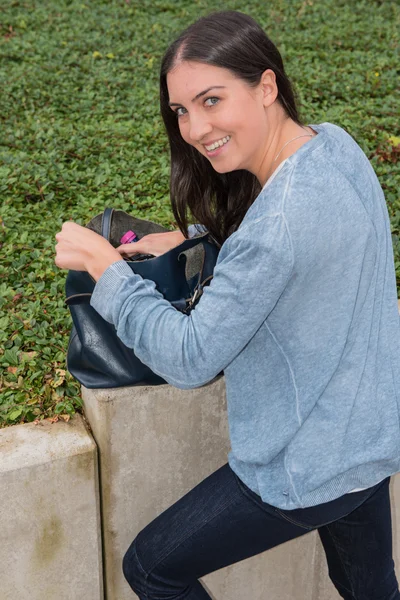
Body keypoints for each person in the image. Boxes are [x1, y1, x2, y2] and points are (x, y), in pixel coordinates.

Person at [54, 10, 400, 600]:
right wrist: (199, 241)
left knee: (152, 568)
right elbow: (294, 258)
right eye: (182, 110)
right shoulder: (336, 146)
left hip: (305, 464)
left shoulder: (277, 226)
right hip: (366, 440)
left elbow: (190, 358)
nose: (193, 128)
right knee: (370, 590)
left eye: (211, 100)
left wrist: (108, 270)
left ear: (266, 87)